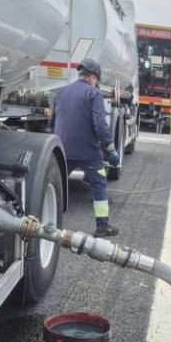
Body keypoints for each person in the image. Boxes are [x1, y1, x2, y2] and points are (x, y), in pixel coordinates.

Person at [53, 58, 120, 237]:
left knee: (56, 183)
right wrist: (110, 148)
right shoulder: (93, 94)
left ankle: (48, 222)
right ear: (93, 77)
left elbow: (54, 122)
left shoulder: (61, 92)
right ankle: (103, 225)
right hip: (88, 151)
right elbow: (100, 124)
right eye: (97, 80)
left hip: (63, 148)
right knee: (99, 183)